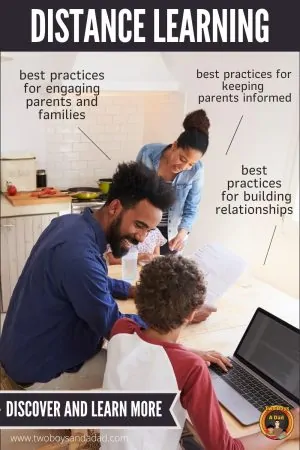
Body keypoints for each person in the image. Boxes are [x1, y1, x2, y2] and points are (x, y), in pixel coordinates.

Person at [0, 162, 175, 390]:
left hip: (21, 354)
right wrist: (174, 322)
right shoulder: (79, 256)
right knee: (145, 374)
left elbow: (90, 281)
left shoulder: (69, 225)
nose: (142, 238)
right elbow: (117, 327)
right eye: (139, 225)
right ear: (114, 207)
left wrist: (131, 290)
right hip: (38, 377)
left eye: (148, 231)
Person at [102, 256, 300, 450]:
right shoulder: (190, 368)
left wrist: (186, 352)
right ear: (191, 314)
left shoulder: (121, 329)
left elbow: (150, 343)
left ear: (140, 299)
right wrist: (288, 427)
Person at [136, 108, 216, 324]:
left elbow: (192, 208)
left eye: (189, 163)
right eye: (182, 158)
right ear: (174, 145)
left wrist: (183, 232)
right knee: (139, 282)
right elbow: (135, 192)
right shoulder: (147, 153)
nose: (183, 167)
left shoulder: (197, 170)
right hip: (144, 229)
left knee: (166, 292)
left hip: (169, 235)